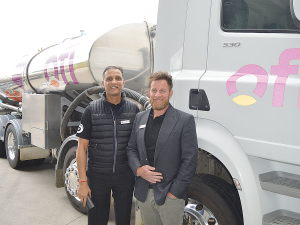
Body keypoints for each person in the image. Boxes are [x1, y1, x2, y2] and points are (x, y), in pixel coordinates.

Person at [127, 71, 198, 225]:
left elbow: (190, 160)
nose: (157, 95)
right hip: (144, 193)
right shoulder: (139, 118)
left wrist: (174, 193)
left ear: (170, 93)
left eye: (162, 91)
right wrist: (138, 169)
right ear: (148, 93)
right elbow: (131, 149)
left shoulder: (184, 120)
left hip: (170, 196)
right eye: (154, 90)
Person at [76, 66, 140, 225]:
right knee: (97, 219)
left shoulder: (134, 110)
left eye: (118, 78)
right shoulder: (91, 110)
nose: (114, 82)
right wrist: (83, 182)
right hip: (98, 177)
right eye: (109, 79)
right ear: (102, 83)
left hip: (125, 176)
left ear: (123, 82)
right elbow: (81, 148)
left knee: (124, 219)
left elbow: (139, 145)